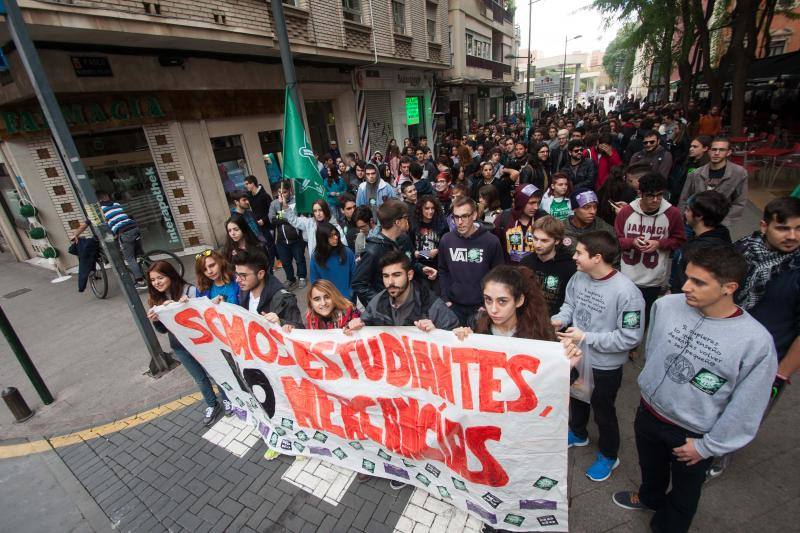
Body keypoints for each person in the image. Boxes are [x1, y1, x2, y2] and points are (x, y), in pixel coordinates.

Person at [613, 246, 777, 533]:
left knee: (685, 494)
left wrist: (707, 447)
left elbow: (747, 406)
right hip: (649, 412)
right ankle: (650, 498)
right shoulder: (665, 306)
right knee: (650, 468)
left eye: (699, 282)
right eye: (687, 277)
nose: (686, 287)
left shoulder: (756, 343)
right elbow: (653, 351)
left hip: (692, 433)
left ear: (729, 288)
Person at [347, 250, 458, 489]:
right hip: (390, 380)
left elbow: (456, 338)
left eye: (396, 275)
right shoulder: (379, 301)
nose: (391, 282)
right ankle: (385, 462)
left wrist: (437, 330)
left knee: (415, 430)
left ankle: (414, 468)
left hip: (421, 383)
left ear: (409, 275)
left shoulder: (431, 304)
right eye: (386, 276)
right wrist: (359, 324)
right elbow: (367, 322)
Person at [552, 231, 646, 482]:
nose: (574, 256)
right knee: (576, 397)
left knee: (603, 410)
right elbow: (570, 304)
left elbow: (630, 338)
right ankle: (578, 433)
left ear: (597, 257)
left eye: (580, 252)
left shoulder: (628, 293)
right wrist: (560, 320)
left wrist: (587, 337)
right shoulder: (578, 277)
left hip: (605, 365)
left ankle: (608, 455)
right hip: (575, 356)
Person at [146, 260, 230, 426]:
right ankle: (212, 404)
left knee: (215, 372)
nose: (157, 283)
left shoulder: (189, 290)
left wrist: (184, 305)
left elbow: (205, 315)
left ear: (170, 275)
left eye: (160, 277)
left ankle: (227, 399)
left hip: (201, 343)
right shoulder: (155, 300)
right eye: (153, 280)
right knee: (199, 378)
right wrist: (156, 320)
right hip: (180, 347)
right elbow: (163, 330)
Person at [734, 196, 800, 405]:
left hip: (763, 367)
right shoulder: (742, 250)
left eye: (798, 229)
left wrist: (780, 376)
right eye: (783, 228)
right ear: (764, 226)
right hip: (724, 352)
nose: (792, 236)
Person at [615, 172, 685, 329]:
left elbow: (680, 240)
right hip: (627, 277)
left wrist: (659, 244)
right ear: (640, 194)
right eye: (650, 196)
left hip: (653, 279)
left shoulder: (672, 214)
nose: (655, 200)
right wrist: (631, 242)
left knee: (643, 318)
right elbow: (616, 240)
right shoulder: (626, 212)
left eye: (660, 195)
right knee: (621, 314)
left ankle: (635, 346)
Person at [352, 199, 437, 307]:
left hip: (409, 304)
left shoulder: (404, 239)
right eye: (406, 218)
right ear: (397, 222)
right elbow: (359, 284)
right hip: (387, 315)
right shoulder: (373, 250)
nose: (408, 221)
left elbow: (411, 263)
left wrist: (422, 268)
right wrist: (382, 304)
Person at [438, 196, 505, 326]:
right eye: (456, 217)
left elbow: (498, 275)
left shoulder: (491, 241)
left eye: (464, 216)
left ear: (474, 215)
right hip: (453, 306)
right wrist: (445, 298)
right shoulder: (446, 240)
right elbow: (443, 270)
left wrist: (488, 304)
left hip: (481, 307)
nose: (459, 222)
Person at [72, 190, 146, 289]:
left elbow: (84, 225)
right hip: (134, 227)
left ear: (97, 200)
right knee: (138, 253)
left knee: (129, 258)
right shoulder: (116, 204)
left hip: (125, 232)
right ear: (106, 196)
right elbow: (116, 218)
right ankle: (148, 265)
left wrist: (75, 235)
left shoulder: (99, 211)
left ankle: (140, 282)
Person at [678, 137, 748, 229]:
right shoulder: (696, 173)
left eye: (722, 150)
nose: (717, 153)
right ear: (709, 151)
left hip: (719, 225)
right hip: (694, 223)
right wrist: (683, 220)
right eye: (714, 149)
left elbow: (739, 202)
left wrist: (723, 222)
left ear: (729, 152)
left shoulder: (739, 173)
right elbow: (684, 198)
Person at [670, 191, 731, 294]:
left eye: (688, 210)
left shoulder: (703, 249)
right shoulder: (714, 236)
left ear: (699, 216)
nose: (685, 213)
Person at [279, 195, 346, 283]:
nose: (318, 213)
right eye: (315, 211)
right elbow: (294, 220)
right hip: (317, 264)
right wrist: (285, 206)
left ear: (325, 210)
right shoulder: (310, 223)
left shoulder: (334, 225)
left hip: (333, 264)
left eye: (320, 210)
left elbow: (344, 244)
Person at [521, 216, 577, 315]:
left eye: (544, 240)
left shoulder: (570, 267)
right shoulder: (525, 262)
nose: (537, 245)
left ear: (557, 241)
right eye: (535, 238)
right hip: (527, 320)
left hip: (556, 323)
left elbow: (572, 302)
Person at [234, 249, 303, 329]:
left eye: (243, 275)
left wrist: (280, 322)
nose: (237, 280)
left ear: (260, 274)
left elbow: (301, 330)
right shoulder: (244, 289)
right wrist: (221, 305)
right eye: (236, 274)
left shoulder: (284, 299)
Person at [493, 183, 546, 264]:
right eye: (531, 203)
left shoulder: (543, 218)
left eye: (538, 203)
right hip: (509, 272)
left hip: (535, 272)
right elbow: (494, 248)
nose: (536, 207)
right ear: (521, 202)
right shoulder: (503, 218)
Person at [269, 180, 307, 290]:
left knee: (299, 259)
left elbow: (297, 218)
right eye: (279, 193)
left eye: (284, 192)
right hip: (281, 239)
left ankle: (302, 277)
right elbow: (272, 220)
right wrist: (287, 218)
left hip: (296, 238)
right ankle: (290, 279)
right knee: (285, 262)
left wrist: (281, 217)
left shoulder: (296, 202)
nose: (282, 195)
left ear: (290, 191)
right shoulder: (274, 204)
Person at [309, 222, 357, 301]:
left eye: (336, 234)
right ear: (323, 239)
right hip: (328, 302)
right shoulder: (316, 258)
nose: (336, 237)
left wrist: (350, 294)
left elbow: (355, 276)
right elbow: (315, 283)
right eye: (331, 236)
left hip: (348, 300)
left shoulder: (347, 252)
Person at [563, 189, 616, 255]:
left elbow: (614, 255)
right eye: (586, 207)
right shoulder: (561, 230)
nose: (593, 212)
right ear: (574, 208)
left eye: (595, 207)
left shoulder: (605, 229)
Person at [411, 195, 449, 279]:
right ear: (421, 209)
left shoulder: (442, 224)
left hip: (437, 266)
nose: (430, 211)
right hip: (419, 267)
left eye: (433, 208)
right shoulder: (414, 224)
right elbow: (411, 250)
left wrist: (438, 250)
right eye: (427, 208)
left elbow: (447, 246)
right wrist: (425, 253)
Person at [669, 135, 711, 206]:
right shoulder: (688, 162)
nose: (691, 149)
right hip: (678, 199)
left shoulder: (707, 167)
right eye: (691, 146)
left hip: (693, 202)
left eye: (695, 147)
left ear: (705, 148)